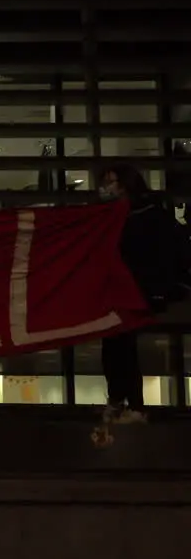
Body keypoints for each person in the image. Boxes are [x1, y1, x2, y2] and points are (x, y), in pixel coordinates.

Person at [95, 164, 187, 425]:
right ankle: (125, 402)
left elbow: (168, 253)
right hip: (120, 290)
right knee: (115, 346)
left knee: (121, 346)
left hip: (137, 290)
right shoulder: (117, 215)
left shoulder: (147, 216)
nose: (106, 188)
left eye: (111, 182)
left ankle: (130, 403)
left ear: (125, 185)